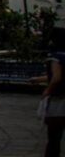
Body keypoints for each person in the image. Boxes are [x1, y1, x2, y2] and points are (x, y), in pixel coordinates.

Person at [36, 28, 65, 157]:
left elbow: (57, 77)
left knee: (54, 136)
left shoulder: (55, 56)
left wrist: (47, 90)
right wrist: (38, 79)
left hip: (58, 99)